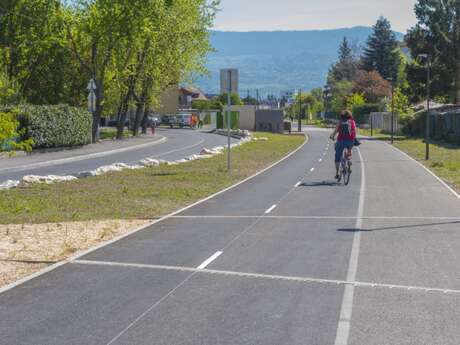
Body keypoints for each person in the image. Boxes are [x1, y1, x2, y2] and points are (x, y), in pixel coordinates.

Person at [330, 110, 357, 180]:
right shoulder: (352, 122)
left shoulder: (340, 122)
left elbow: (335, 131)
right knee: (349, 150)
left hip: (341, 141)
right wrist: (353, 139)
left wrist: (332, 136)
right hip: (350, 141)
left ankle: (337, 173)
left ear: (342, 116)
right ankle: (349, 160)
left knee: (337, 157)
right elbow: (354, 131)